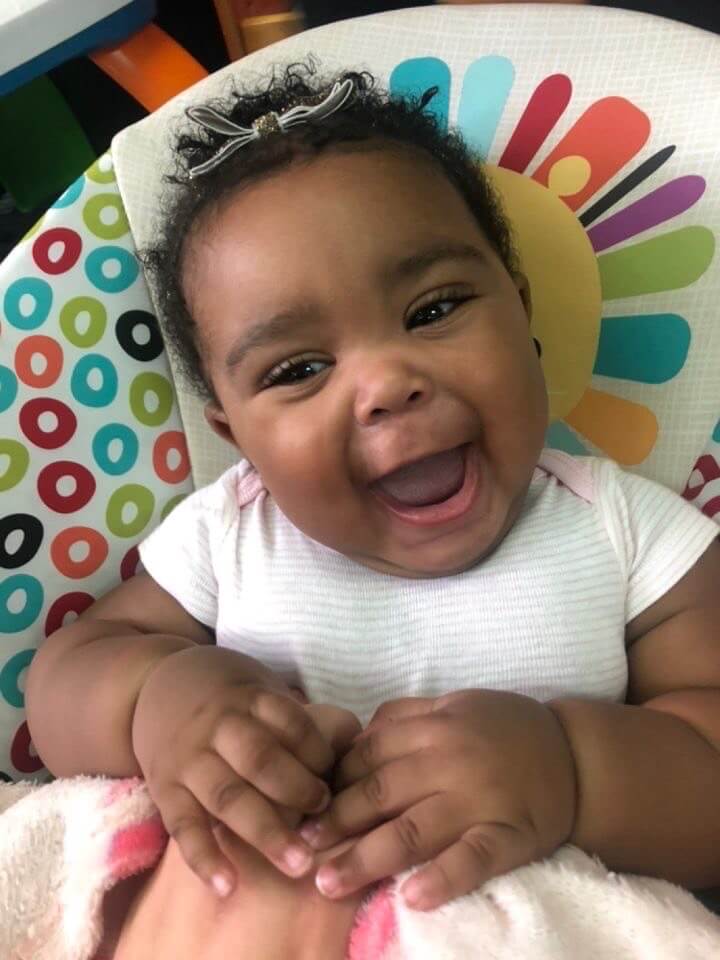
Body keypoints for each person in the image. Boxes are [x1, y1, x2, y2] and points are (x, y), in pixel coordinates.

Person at [25, 60, 720, 928]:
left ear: (523, 311)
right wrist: (156, 703)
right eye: (299, 369)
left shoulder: (628, 532)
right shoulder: (230, 534)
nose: (387, 384)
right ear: (236, 435)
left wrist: (573, 771)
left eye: (433, 310)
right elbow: (61, 682)